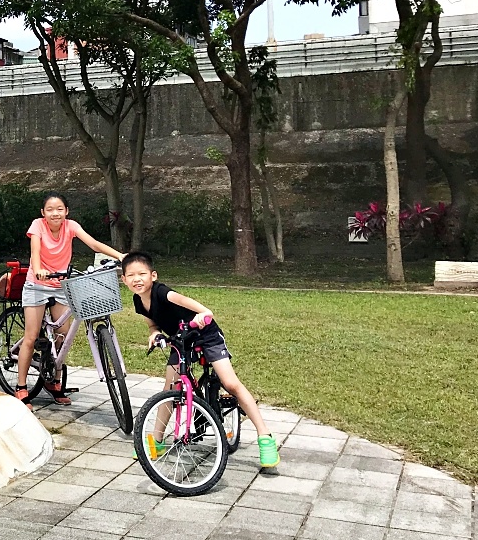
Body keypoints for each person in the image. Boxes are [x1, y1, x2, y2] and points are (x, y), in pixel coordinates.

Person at [121, 250, 280, 469]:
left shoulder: (164, 293)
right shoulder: (139, 301)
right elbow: (152, 323)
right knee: (170, 388)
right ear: (124, 279)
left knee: (231, 383)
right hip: (180, 340)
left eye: (142, 274)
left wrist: (202, 316)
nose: (137, 279)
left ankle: (265, 437)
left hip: (206, 336)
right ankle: (156, 441)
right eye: (131, 275)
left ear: (153, 276)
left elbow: (202, 309)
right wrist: (154, 333)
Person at [14, 192, 124, 410]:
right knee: (31, 336)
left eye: (60, 209)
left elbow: (93, 244)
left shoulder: (71, 226)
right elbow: (35, 252)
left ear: (66, 211)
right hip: (37, 284)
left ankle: (53, 382)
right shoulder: (38, 226)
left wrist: (120, 256)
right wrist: (38, 270)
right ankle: (21, 387)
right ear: (43, 213)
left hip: (61, 285)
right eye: (50, 210)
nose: (55, 213)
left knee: (62, 337)